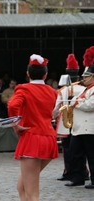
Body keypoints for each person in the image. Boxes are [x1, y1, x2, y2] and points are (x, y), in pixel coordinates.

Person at [8, 54, 58, 201]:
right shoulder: (52, 91)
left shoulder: (24, 89)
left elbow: (12, 105)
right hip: (48, 138)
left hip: (32, 139)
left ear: (28, 73)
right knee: (21, 187)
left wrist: (15, 124)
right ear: (45, 74)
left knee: (32, 194)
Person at [52, 53, 89, 182]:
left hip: (65, 123)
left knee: (68, 150)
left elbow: (56, 109)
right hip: (82, 122)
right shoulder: (85, 89)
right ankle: (84, 171)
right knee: (84, 150)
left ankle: (69, 172)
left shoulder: (62, 90)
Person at [65, 46, 94, 189]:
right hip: (78, 127)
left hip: (90, 127)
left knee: (92, 156)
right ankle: (77, 177)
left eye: (86, 76)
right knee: (75, 155)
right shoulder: (85, 89)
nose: (84, 78)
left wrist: (76, 102)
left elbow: (90, 105)